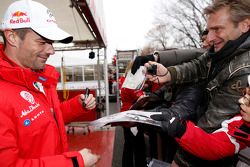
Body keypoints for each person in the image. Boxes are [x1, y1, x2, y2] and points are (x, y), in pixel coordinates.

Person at [142, 0, 250, 166]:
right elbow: (199, 65)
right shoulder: (226, 48)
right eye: (209, 30)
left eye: (217, 29)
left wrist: (179, 161)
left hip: (212, 153)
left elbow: (211, 127)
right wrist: (168, 74)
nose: (210, 38)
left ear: (244, 25)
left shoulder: (243, 70)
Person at [0, 0, 99, 167]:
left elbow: (49, 117)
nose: (51, 51)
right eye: (42, 42)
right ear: (12, 37)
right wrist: (75, 162)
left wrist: (78, 105)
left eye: (51, 42)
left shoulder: (40, 79)